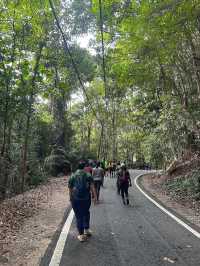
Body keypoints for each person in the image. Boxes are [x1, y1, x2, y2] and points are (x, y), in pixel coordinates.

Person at [68, 161, 97, 242]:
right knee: (86, 213)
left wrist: (70, 198)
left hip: (75, 199)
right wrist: (95, 197)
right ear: (84, 167)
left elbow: (70, 188)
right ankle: (86, 230)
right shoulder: (88, 175)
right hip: (86, 199)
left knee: (78, 216)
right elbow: (92, 187)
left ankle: (81, 235)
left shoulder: (73, 176)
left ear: (77, 167)